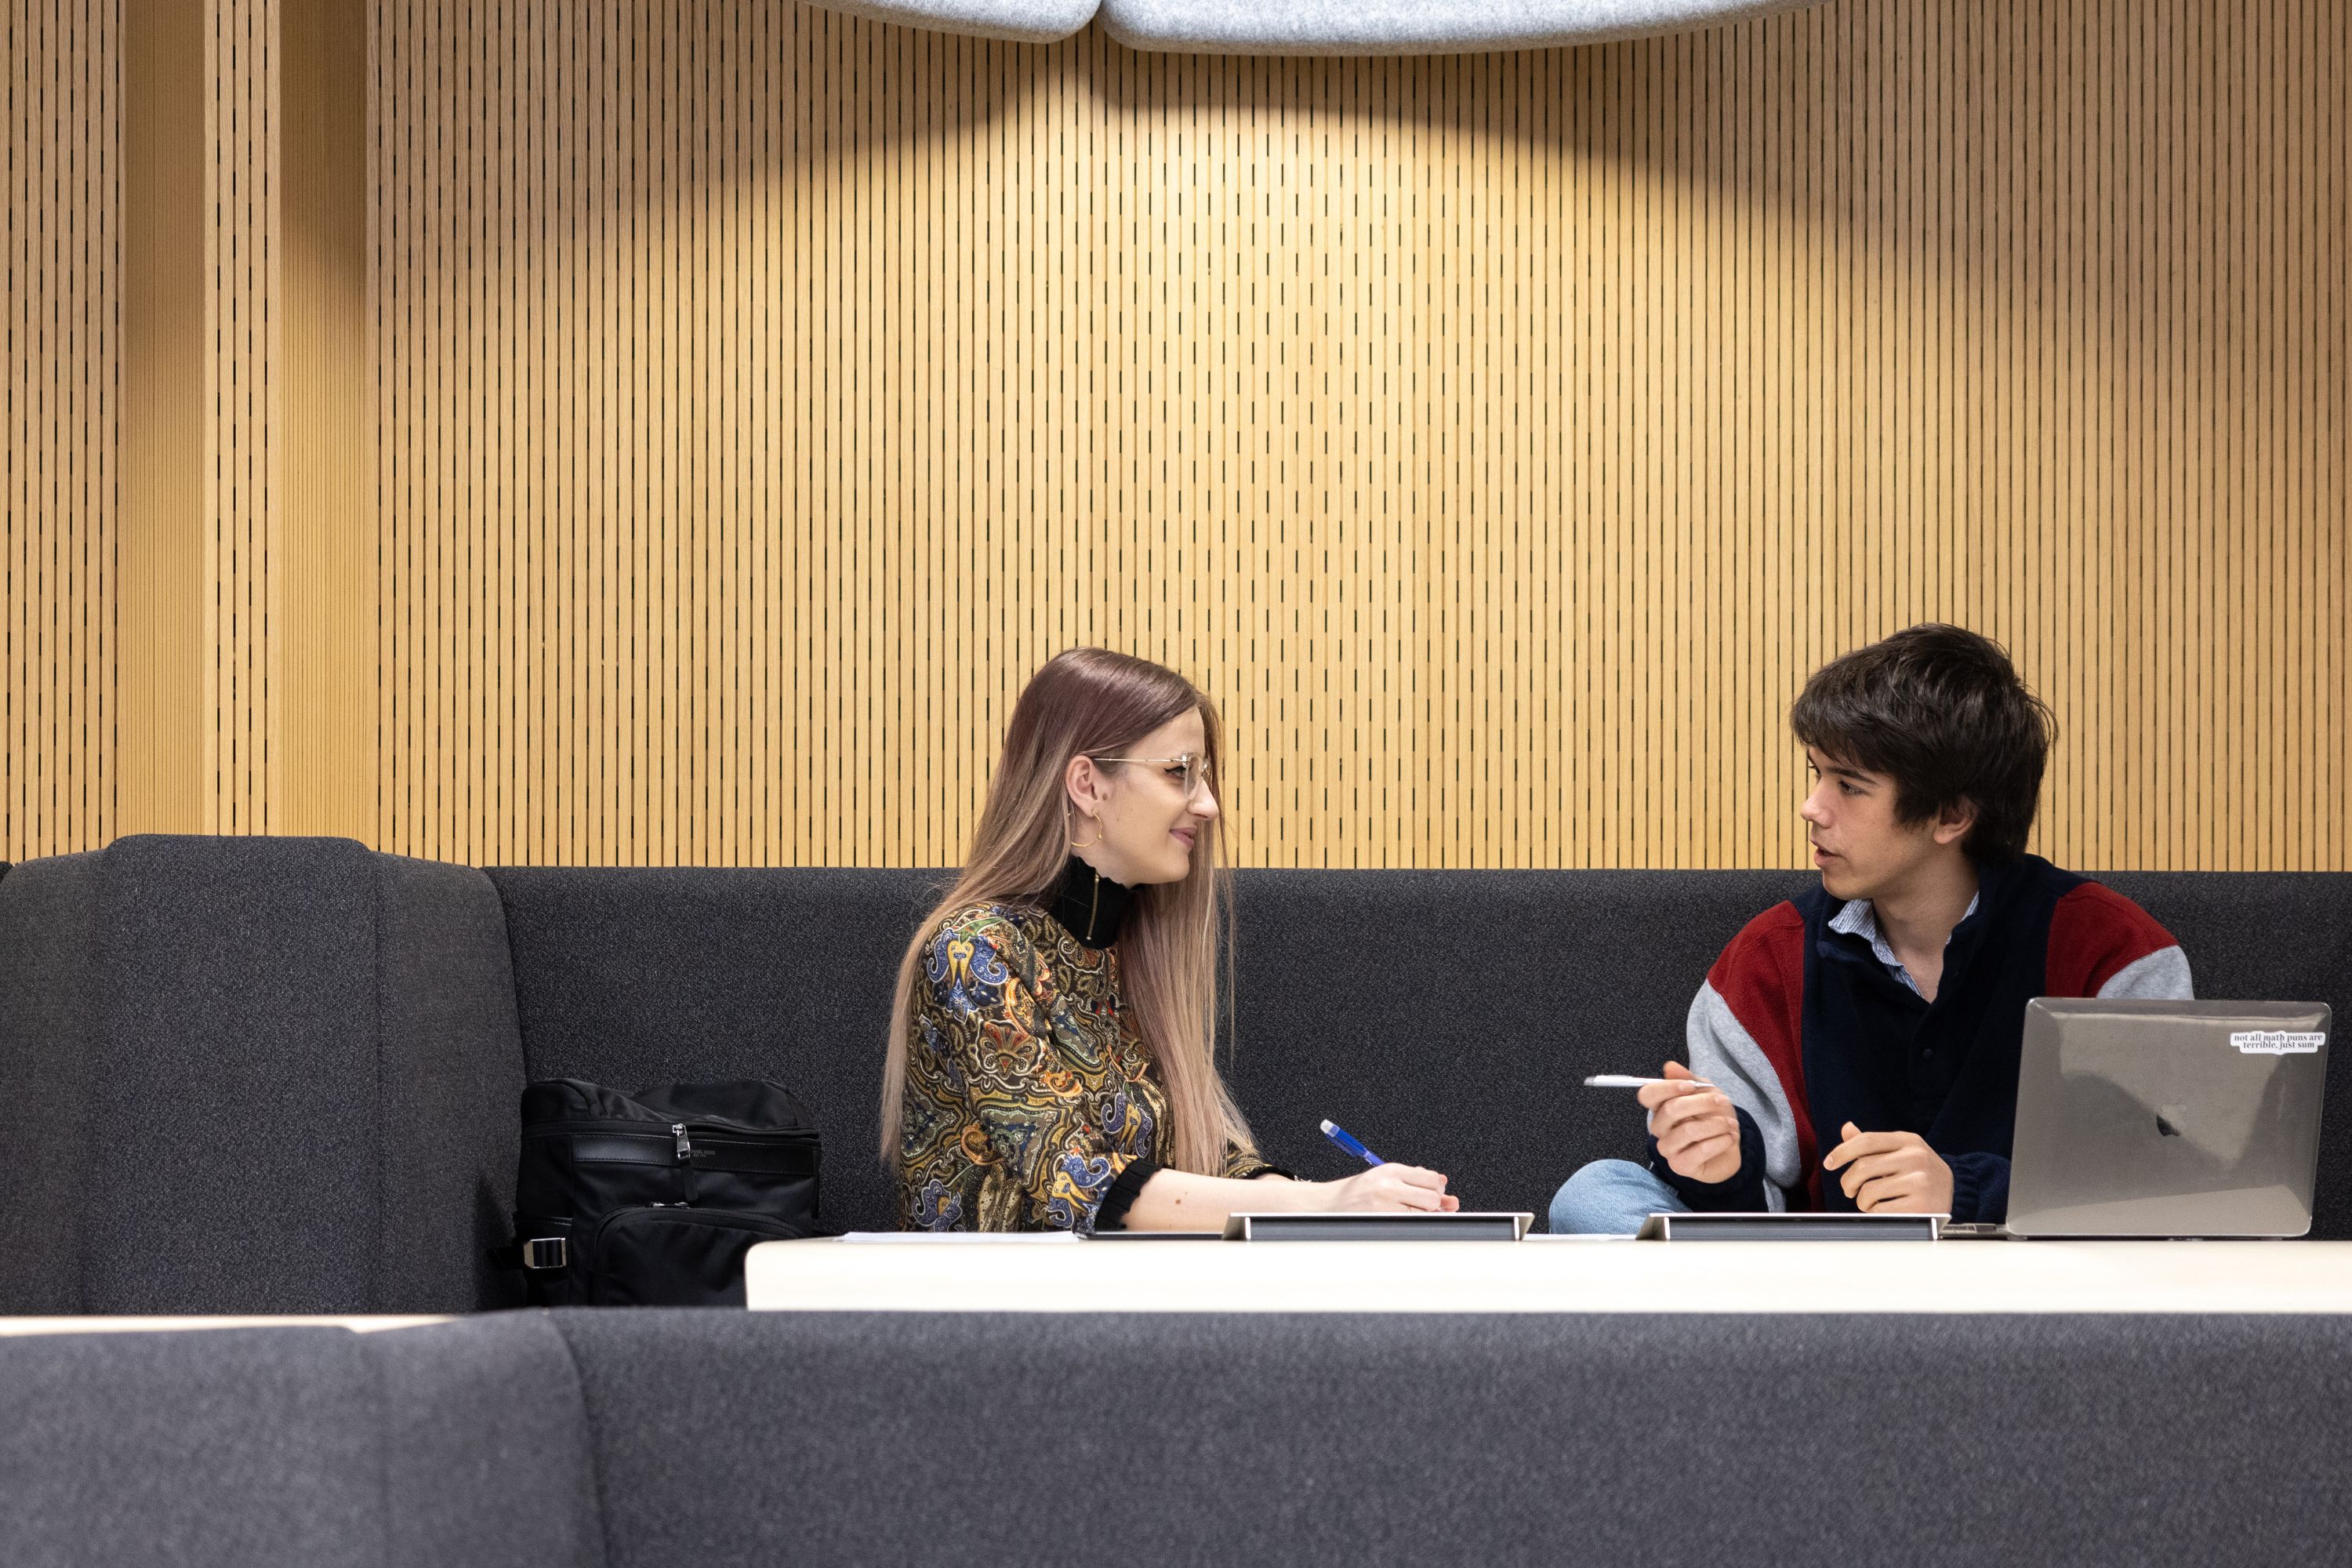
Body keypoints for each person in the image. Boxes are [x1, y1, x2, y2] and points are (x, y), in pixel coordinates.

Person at [1551, 624, 2191, 1233]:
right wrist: (1719, 1165)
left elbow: (2161, 1184)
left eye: (1850, 786)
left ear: (1952, 815)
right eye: (1817, 774)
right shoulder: (1765, 962)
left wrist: (1965, 1196)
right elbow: (1748, 1218)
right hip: (1828, 1283)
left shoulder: (2111, 952)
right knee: (1594, 1192)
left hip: (2029, 1286)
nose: (1812, 808)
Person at [883, 647, 1458, 1232]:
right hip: (990, 1314)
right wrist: (1326, 1203)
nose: (1208, 804)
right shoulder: (974, 952)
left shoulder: (1128, 948)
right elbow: (1083, 1181)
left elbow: (1211, 1156)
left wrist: (1351, 1202)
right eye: (1178, 772)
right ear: (1087, 785)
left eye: (1203, 776)